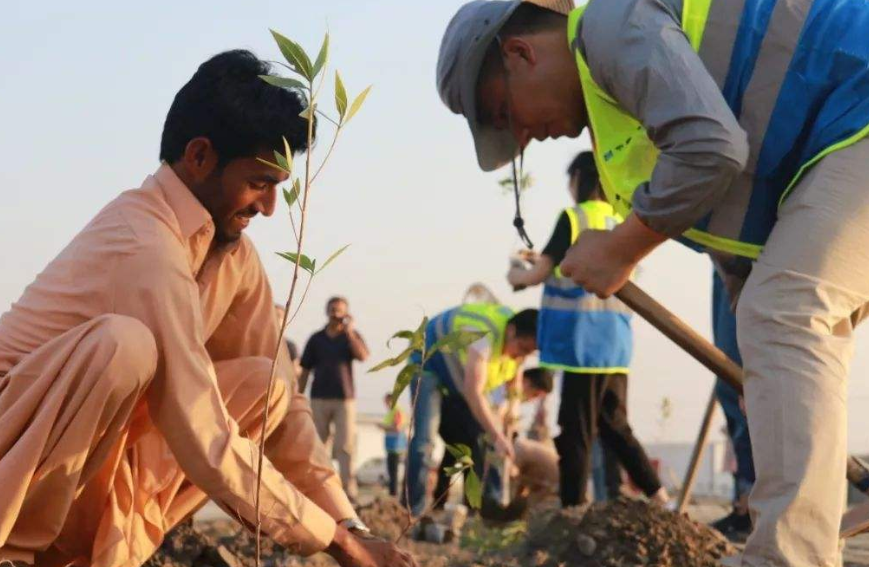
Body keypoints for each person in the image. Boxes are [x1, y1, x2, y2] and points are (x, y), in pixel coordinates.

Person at [437, 1, 869, 564]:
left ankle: (788, 557)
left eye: (503, 114)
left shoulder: (608, 25)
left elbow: (712, 149)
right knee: (781, 321)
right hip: (834, 141)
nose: (521, 140)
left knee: (784, 312)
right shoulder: (618, 126)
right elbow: (741, 230)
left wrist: (619, 247)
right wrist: (760, 363)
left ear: (520, 54)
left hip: (856, 107)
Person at [0, 50, 416, 567]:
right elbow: (200, 431)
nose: (267, 208)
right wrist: (334, 542)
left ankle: (91, 553)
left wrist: (349, 525)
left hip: (83, 479)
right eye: (259, 183)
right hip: (10, 451)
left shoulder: (232, 255)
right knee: (123, 349)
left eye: (276, 190)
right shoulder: (144, 245)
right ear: (199, 157)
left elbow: (283, 412)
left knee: (269, 384)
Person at [507, 151, 667, 507]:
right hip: (616, 345)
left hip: (582, 346)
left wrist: (514, 274)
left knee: (576, 433)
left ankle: (572, 509)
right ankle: (659, 496)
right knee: (615, 426)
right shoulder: (622, 219)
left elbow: (536, 274)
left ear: (580, 178)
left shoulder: (573, 218)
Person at [404, 304, 538, 517]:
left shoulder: (519, 346)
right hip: (428, 363)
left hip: (457, 371)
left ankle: (491, 508)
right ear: (512, 332)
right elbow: (474, 392)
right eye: (522, 349)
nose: (521, 356)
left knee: (482, 438)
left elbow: (515, 383)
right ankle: (412, 511)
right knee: (425, 440)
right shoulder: (481, 336)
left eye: (528, 353)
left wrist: (512, 410)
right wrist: (498, 436)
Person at [299, 296, 369, 501]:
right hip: (319, 398)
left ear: (346, 313)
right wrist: (299, 395)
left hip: (344, 399)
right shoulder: (316, 339)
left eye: (339, 310)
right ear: (326, 311)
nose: (335, 313)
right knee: (319, 445)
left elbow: (363, 356)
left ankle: (349, 490)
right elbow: (305, 369)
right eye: (332, 309)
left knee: (345, 446)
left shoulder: (351, 337)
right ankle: (320, 489)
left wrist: (349, 331)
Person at [709, 270, 755, 540]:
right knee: (729, 384)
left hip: (751, 258)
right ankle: (744, 499)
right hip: (724, 256)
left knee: (742, 385)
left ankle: (754, 500)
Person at [380, 393, 408, 497]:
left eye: (387, 402)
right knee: (391, 472)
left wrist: (383, 427)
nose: (385, 404)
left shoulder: (397, 411)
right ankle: (392, 493)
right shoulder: (392, 411)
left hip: (397, 447)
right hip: (391, 447)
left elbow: (397, 427)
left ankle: (394, 494)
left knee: (394, 472)